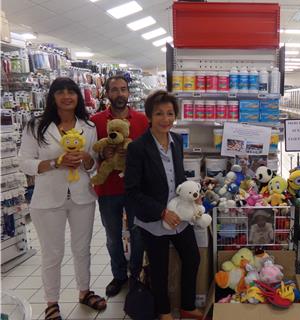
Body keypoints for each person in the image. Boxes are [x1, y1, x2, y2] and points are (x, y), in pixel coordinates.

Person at [19, 77, 106, 319]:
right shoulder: (35, 126)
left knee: (82, 249)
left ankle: (84, 291)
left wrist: (88, 161)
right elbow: (24, 162)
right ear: (52, 96)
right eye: (61, 92)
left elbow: (95, 164)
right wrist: (55, 162)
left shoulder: (88, 127)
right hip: (47, 199)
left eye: (72, 91)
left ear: (79, 96)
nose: (67, 96)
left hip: (82, 197)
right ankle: (51, 302)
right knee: (52, 252)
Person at [125, 90, 202, 320]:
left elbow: (178, 178)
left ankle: (187, 305)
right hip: (154, 219)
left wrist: (192, 195)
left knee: (192, 257)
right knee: (159, 268)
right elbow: (132, 191)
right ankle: (164, 311)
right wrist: (161, 212)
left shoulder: (177, 141)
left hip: (178, 214)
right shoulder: (137, 148)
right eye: (159, 113)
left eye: (170, 113)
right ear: (149, 116)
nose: (165, 119)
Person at [90, 75, 149, 296]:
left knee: (138, 233)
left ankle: (135, 274)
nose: (120, 94)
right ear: (107, 93)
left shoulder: (142, 120)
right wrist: (101, 152)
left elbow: (148, 154)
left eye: (123, 89)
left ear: (129, 92)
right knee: (112, 236)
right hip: (107, 190)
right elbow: (89, 153)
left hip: (136, 189)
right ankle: (118, 275)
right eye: (114, 90)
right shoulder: (95, 121)